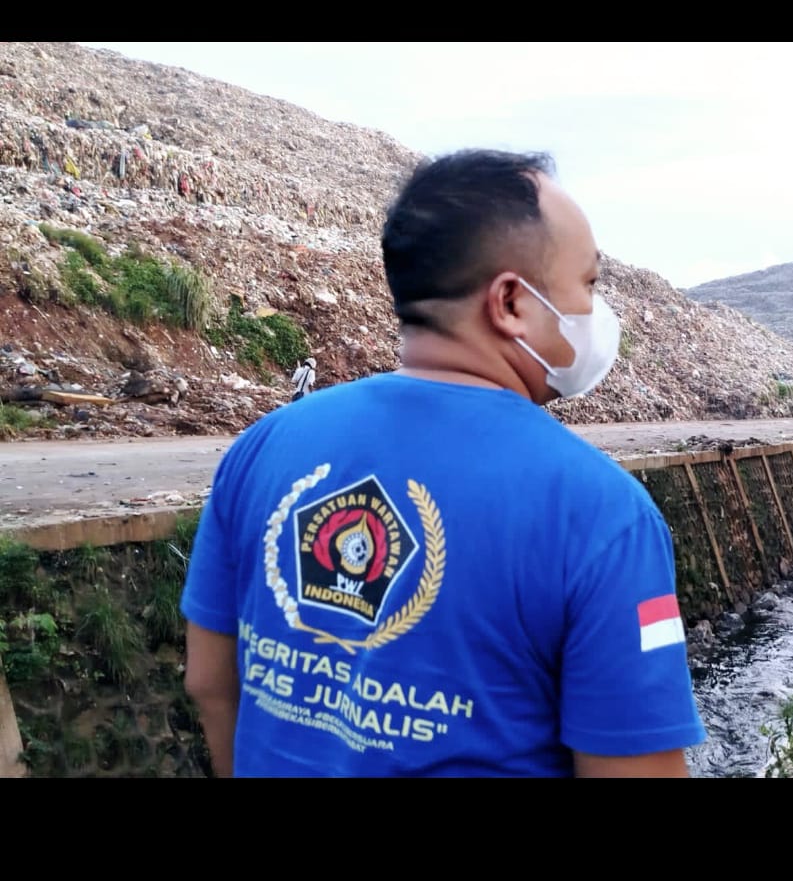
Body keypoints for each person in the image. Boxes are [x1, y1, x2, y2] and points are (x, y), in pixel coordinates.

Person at [180, 148, 706, 777]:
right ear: (511, 302)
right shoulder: (602, 514)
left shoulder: (261, 448)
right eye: (589, 285)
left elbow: (210, 683)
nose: (596, 313)